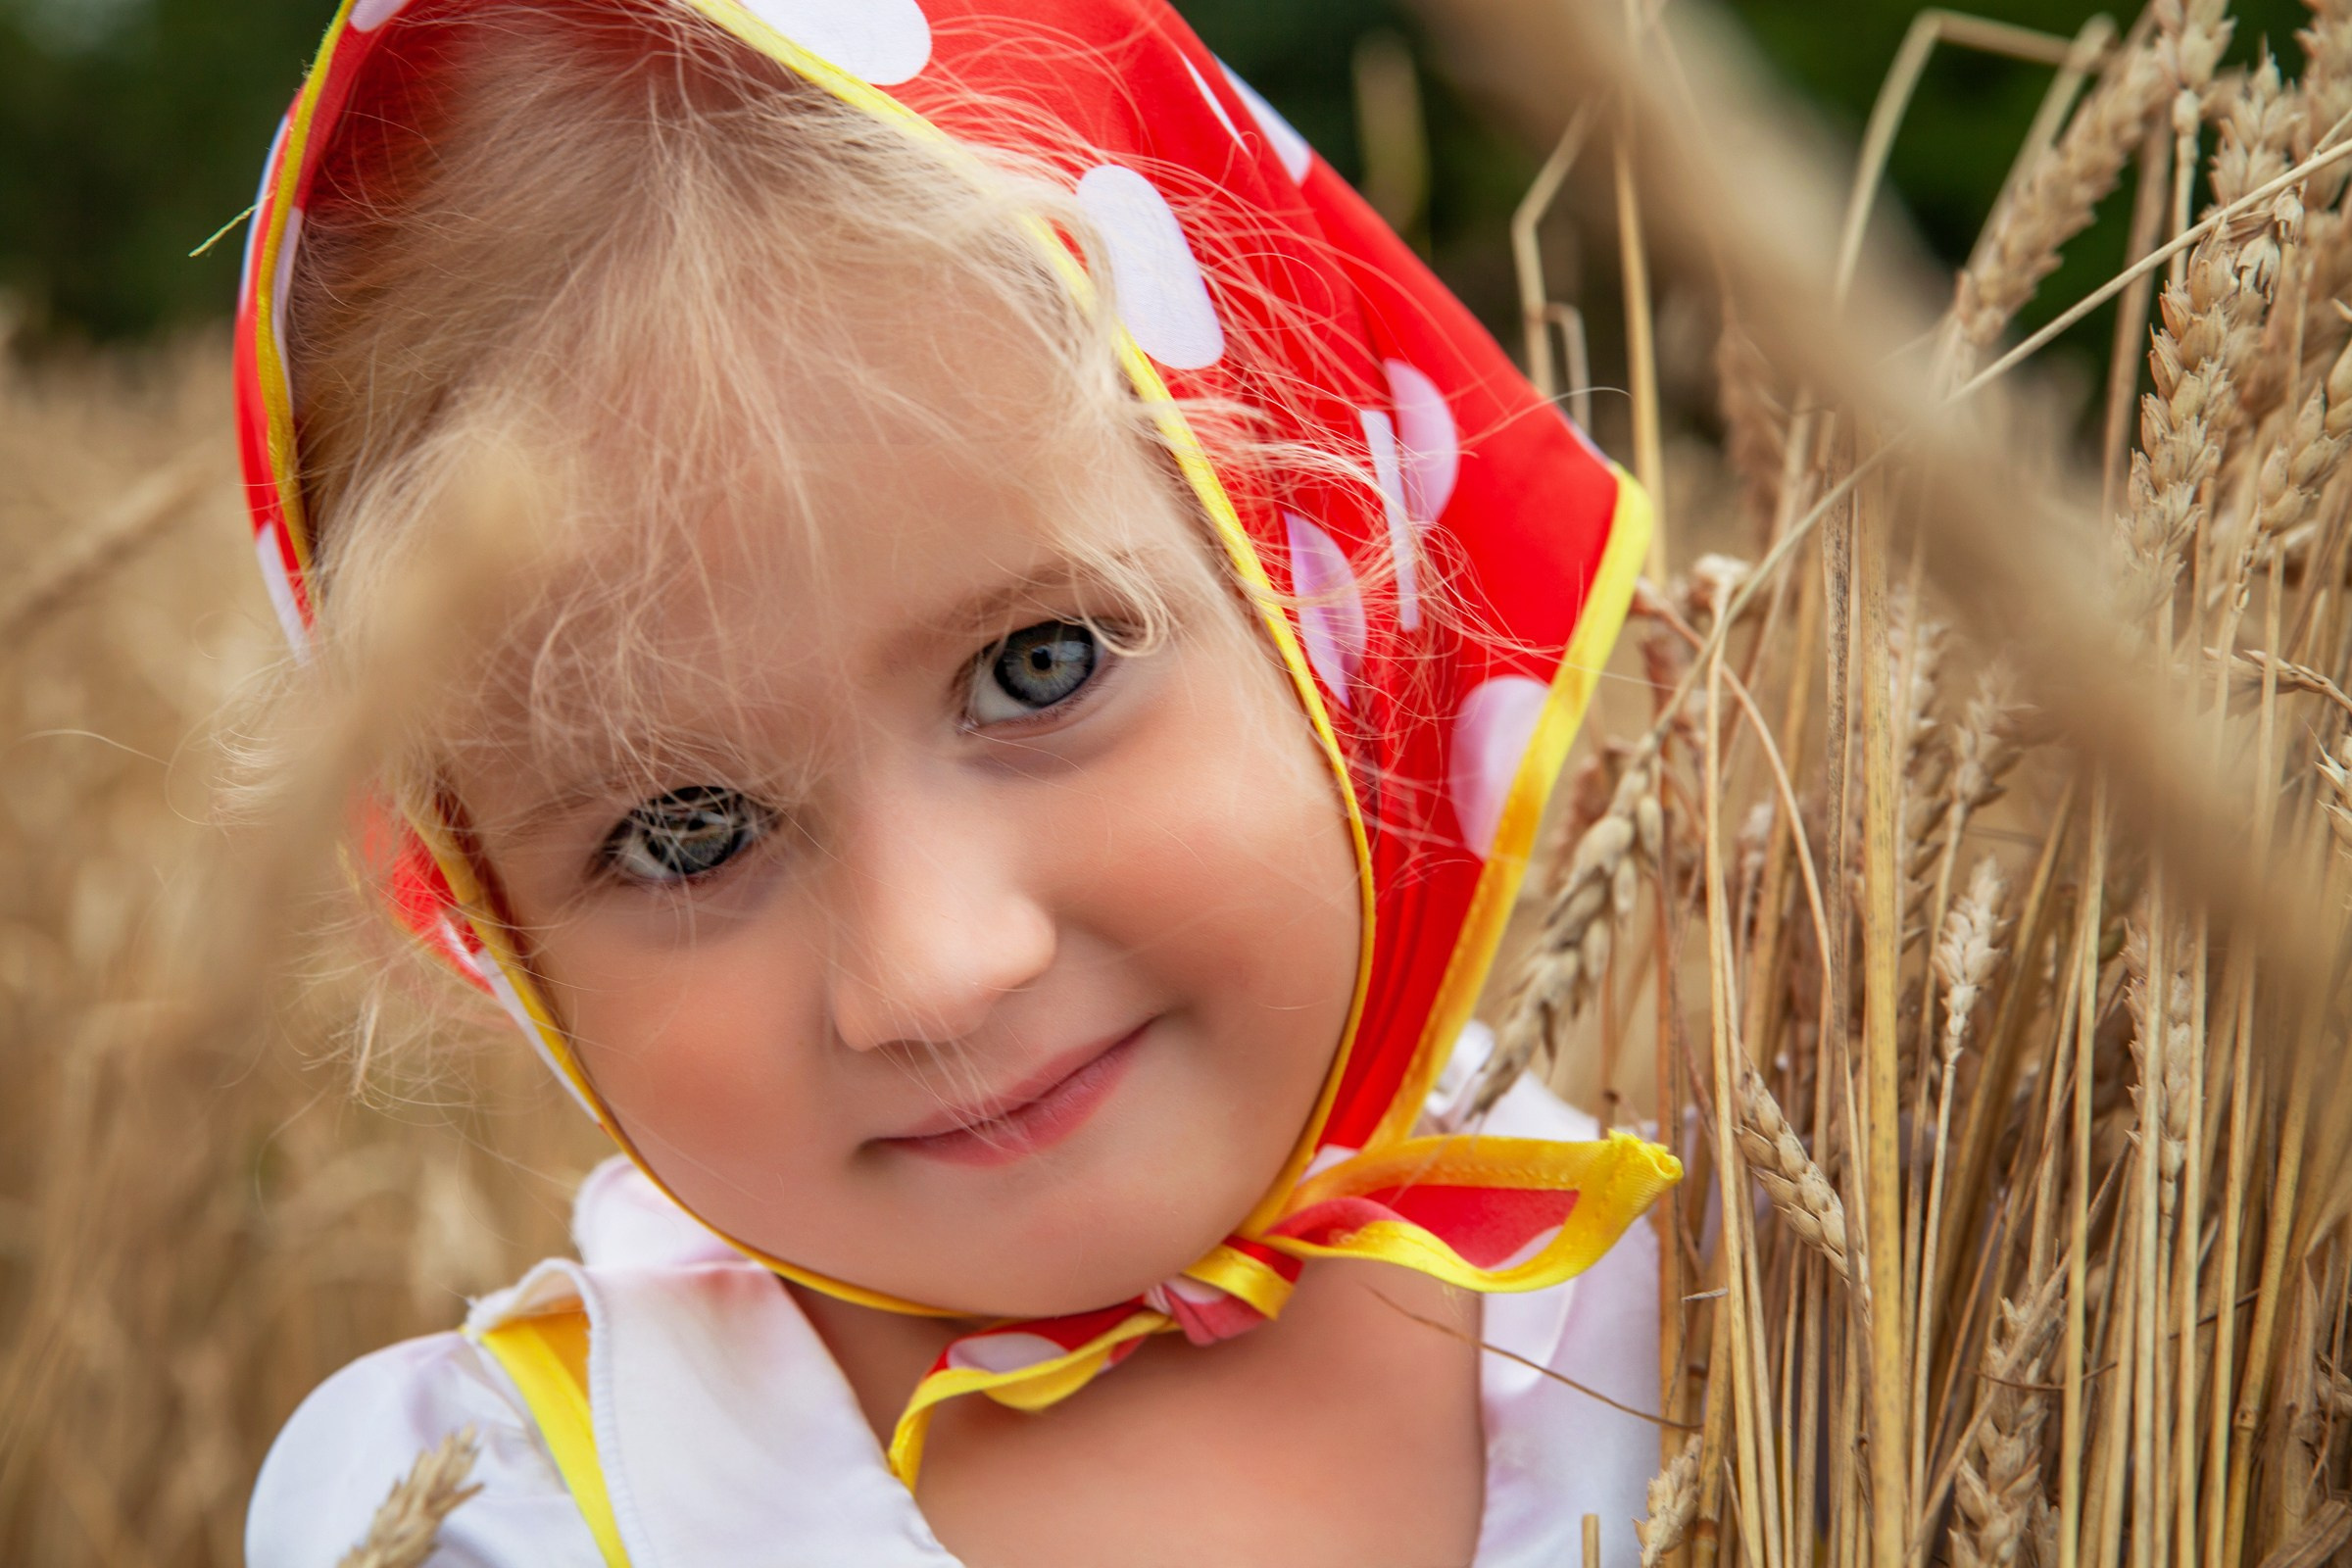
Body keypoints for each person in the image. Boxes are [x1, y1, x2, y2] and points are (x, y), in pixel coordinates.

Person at [234, 1, 1679, 1562]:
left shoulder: (1750, 1315)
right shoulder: (491, 1514)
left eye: (1038, 667)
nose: (939, 970)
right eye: (685, 830)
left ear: (1324, 604)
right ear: (492, 922)